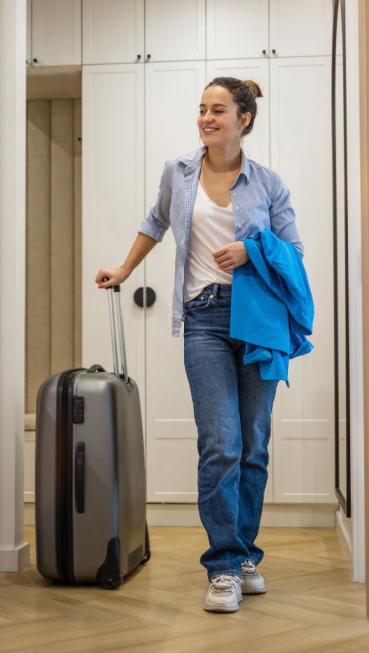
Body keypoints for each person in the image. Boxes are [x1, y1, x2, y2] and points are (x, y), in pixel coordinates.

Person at [94, 77, 305, 613]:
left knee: (253, 446)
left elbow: (294, 252)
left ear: (244, 119)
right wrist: (123, 267)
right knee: (221, 443)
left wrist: (250, 250)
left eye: (219, 110)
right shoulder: (179, 172)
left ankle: (246, 553)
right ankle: (224, 567)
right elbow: (156, 221)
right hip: (205, 317)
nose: (207, 118)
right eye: (202, 110)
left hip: (258, 322)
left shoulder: (268, 183)